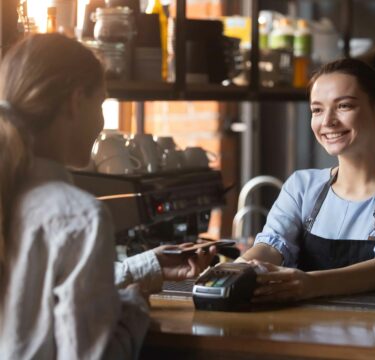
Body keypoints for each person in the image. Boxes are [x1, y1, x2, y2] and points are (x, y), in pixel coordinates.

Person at [0, 33, 214, 359]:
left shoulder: (15, 195)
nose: (102, 122)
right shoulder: (79, 216)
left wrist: (145, 267)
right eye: (101, 103)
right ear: (75, 102)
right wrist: (134, 307)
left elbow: (35, 292)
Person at [239, 58, 375, 303]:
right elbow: (271, 247)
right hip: (305, 333)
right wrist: (235, 270)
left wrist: (310, 284)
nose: (327, 121)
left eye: (344, 106)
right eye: (317, 110)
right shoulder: (301, 186)